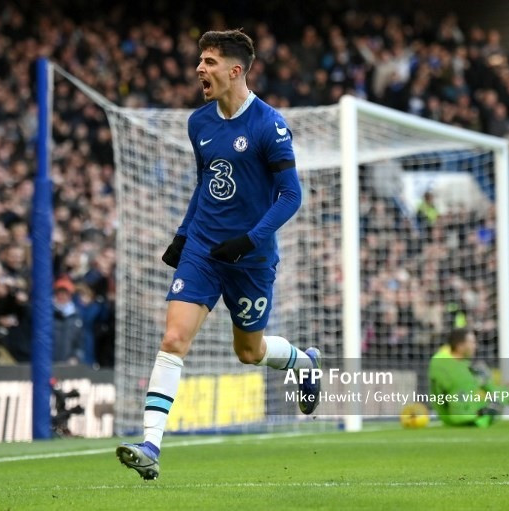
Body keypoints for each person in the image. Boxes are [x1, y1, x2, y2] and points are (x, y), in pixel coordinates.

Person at [117, 29, 321, 480]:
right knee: (173, 339)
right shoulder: (199, 123)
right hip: (205, 252)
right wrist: (184, 234)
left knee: (248, 352)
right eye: (199, 60)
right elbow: (206, 183)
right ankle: (151, 444)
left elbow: (291, 196)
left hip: (250, 259)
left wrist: (249, 239)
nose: (198, 69)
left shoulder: (269, 125)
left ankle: (304, 363)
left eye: (208, 62)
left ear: (235, 70)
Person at [428, 328, 509, 427]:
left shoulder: (452, 362)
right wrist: (482, 412)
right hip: (468, 417)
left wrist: (489, 383)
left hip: (462, 412)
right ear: (460, 346)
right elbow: (458, 411)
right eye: (471, 342)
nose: (475, 346)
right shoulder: (453, 370)